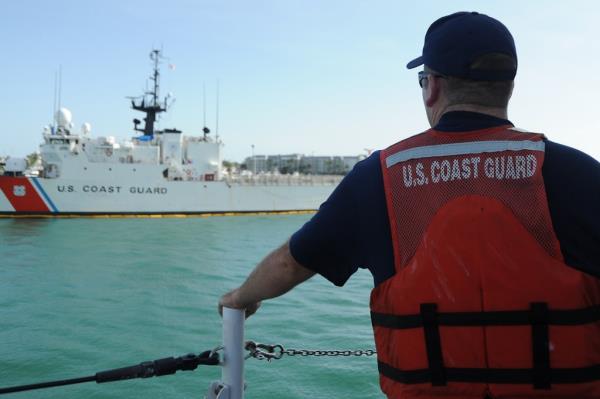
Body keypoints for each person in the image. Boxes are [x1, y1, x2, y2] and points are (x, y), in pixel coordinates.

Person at [219, 11, 600, 398]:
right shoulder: (577, 173)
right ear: (508, 88)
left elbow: (291, 262)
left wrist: (242, 298)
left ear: (432, 87)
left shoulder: (378, 178)